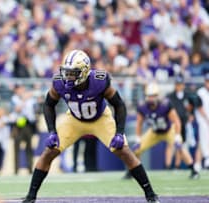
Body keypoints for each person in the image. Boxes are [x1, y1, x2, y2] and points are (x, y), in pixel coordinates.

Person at [22, 50, 160, 203]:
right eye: (67, 72)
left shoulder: (99, 81)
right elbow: (48, 104)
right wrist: (52, 131)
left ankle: (150, 194)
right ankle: (30, 197)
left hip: (100, 118)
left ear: (85, 71)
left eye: (73, 73)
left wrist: (120, 133)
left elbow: (119, 105)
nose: (68, 76)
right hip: (74, 120)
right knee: (49, 152)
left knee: (125, 151)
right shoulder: (60, 83)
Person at [124, 83, 199, 179]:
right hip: (154, 132)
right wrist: (138, 138)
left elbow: (176, 121)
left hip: (168, 131)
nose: (151, 98)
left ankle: (193, 170)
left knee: (180, 146)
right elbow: (139, 123)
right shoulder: (142, 106)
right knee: (136, 149)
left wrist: (177, 135)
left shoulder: (165, 104)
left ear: (158, 96)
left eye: (154, 96)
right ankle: (132, 172)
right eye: (149, 96)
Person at [167, 75, 209, 169]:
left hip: (184, 123)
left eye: (180, 84)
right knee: (171, 144)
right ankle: (168, 166)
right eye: (177, 84)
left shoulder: (187, 95)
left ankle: (178, 166)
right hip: (174, 124)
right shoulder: (171, 96)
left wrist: (190, 115)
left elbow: (192, 106)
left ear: (183, 85)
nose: (179, 86)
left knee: (181, 144)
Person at [195, 73, 209, 169]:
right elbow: (199, 107)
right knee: (203, 140)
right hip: (203, 121)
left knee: (203, 141)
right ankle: (204, 161)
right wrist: (207, 119)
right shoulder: (200, 92)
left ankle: (199, 163)